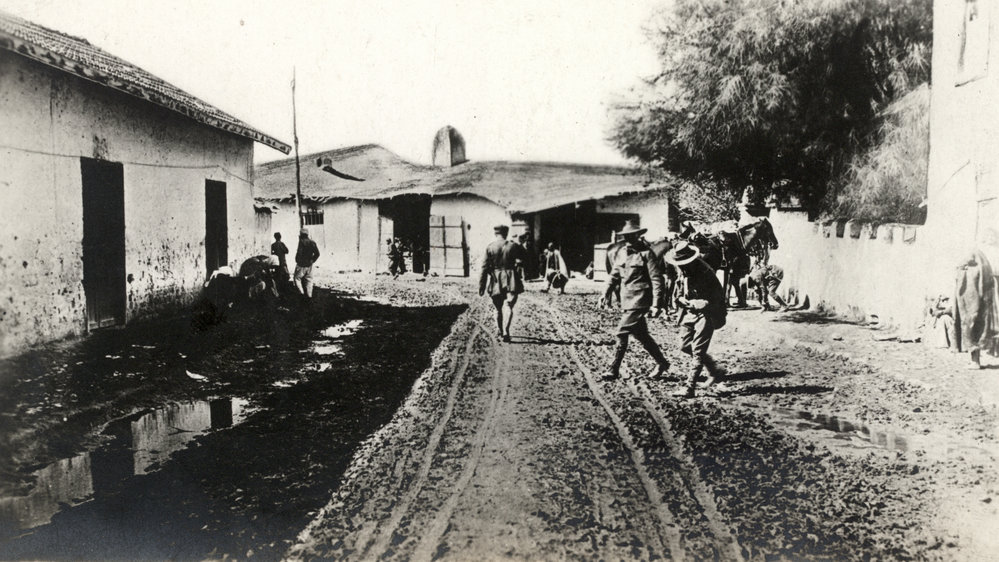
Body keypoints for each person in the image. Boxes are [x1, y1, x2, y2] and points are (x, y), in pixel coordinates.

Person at [599, 220, 671, 381]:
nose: (629, 238)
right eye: (626, 236)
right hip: (626, 300)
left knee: (621, 332)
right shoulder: (621, 253)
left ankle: (613, 369)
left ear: (638, 235)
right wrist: (605, 293)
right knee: (642, 335)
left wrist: (656, 304)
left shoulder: (647, 254)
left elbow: (657, 280)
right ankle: (662, 363)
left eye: (632, 235)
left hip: (640, 300)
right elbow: (614, 275)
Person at [665, 241, 728, 398]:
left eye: (683, 263)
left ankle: (689, 388)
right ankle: (715, 371)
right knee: (684, 346)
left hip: (707, 314)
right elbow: (679, 292)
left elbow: (719, 298)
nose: (681, 267)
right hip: (690, 313)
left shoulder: (706, 273)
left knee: (698, 351)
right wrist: (681, 299)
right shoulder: (684, 272)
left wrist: (703, 303)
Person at [954, 250, 999, 369]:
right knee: (970, 331)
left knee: (973, 331)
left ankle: (975, 362)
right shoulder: (976, 271)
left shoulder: (975, 272)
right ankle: (974, 360)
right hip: (971, 308)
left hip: (974, 309)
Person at [479, 225, 525, 342]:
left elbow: (484, 267)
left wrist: (482, 285)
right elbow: (524, 259)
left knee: (497, 308)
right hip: (511, 278)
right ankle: (506, 331)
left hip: (496, 279)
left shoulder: (490, 247)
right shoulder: (513, 246)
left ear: (495, 234)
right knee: (509, 305)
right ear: (506, 233)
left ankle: (500, 330)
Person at [294, 228, 321, 300]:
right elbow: (317, 253)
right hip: (310, 264)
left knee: (297, 279)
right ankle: (309, 296)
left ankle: (301, 293)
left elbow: (299, 253)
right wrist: (312, 260)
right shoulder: (312, 242)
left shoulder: (301, 242)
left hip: (301, 264)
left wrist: (297, 260)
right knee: (309, 280)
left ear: (301, 234)